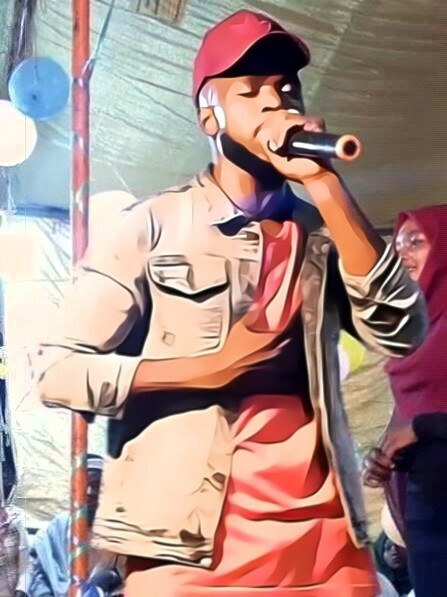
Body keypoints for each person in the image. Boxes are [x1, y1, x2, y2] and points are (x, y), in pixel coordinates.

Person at [34, 9, 427, 596]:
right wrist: (206, 369)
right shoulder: (150, 226)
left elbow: (403, 330)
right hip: (185, 549)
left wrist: (326, 186)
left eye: (286, 89)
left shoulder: (325, 231)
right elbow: (57, 371)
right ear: (208, 115)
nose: (276, 103)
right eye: (251, 90)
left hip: (323, 547)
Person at [363, 205, 447, 597]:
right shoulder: (414, 328)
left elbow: (421, 419)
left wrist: (420, 428)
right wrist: (385, 452)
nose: (403, 254)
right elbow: (409, 410)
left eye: (416, 242)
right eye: (397, 247)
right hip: (426, 509)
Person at [26, 454, 123, 596]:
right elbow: (39, 573)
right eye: (83, 484)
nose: (89, 492)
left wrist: (99, 586)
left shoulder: (120, 532)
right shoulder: (58, 527)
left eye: (96, 486)